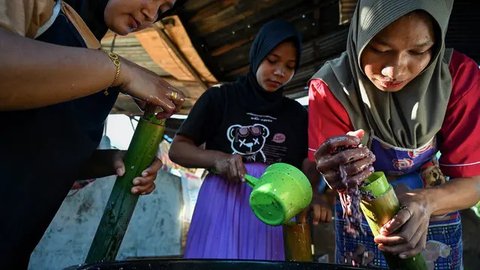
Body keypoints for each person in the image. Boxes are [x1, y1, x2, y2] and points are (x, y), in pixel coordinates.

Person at [0, 0, 186, 268]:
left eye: (164, 10)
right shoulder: (42, 7)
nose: (151, 14)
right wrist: (119, 70)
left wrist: (112, 160)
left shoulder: (103, 70)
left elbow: (37, 155)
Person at [306, 0, 480, 269]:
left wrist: (425, 202)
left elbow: (473, 184)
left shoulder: (457, 77)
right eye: (380, 49)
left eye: (418, 51)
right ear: (360, 38)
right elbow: (329, 172)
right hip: (362, 213)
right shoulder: (331, 87)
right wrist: (337, 173)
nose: (393, 71)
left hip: (436, 206)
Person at [168, 19, 307, 260]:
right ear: (257, 54)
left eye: (290, 66)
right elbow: (178, 149)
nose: (279, 72)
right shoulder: (220, 98)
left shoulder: (295, 113)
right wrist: (217, 159)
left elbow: (305, 166)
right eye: (272, 61)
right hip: (221, 202)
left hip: (270, 212)